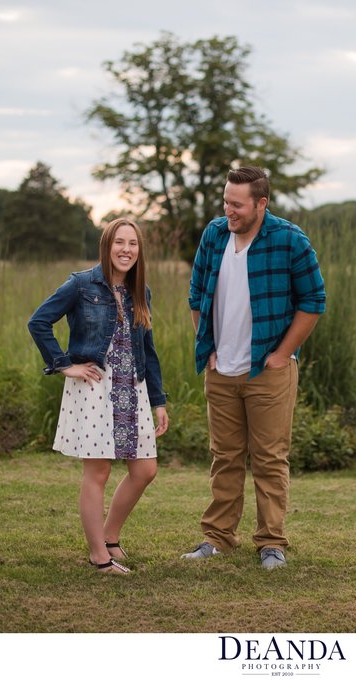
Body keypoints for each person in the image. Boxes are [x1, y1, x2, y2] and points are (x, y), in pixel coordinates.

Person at [182, 166, 326, 569]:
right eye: (226, 201)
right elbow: (196, 295)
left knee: (268, 459)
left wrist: (281, 355)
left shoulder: (289, 240)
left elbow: (314, 300)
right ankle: (217, 538)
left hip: (269, 372)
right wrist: (205, 343)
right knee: (224, 457)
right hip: (221, 370)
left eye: (237, 204)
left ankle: (271, 544)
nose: (229, 210)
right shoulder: (213, 235)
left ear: (262, 203)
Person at [28, 218, 169, 574]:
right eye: (119, 242)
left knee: (145, 469)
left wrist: (158, 399)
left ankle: (110, 536)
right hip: (94, 387)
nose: (126, 249)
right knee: (99, 471)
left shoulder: (141, 291)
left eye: (133, 244)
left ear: (139, 250)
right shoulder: (81, 284)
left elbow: (147, 349)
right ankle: (98, 556)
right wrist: (64, 365)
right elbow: (39, 322)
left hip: (131, 387)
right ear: (107, 247)